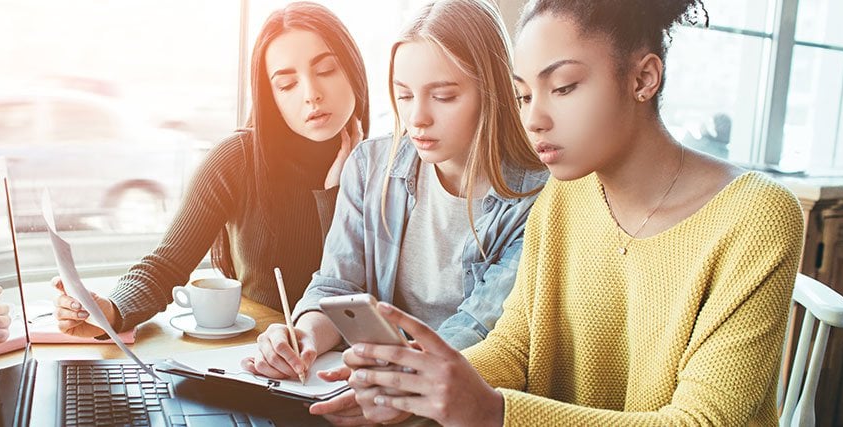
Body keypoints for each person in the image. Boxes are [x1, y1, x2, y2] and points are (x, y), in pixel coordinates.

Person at [343, 1, 805, 425]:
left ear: (643, 79)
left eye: (563, 87)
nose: (534, 119)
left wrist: (491, 411)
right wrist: (412, 388)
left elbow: (704, 422)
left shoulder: (756, 215)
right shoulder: (563, 196)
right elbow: (515, 348)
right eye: (524, 96)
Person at [245, 0, 548, 424]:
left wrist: (394, 387)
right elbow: (335, 286)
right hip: (371, 386)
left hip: (454, 401)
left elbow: (478, 330)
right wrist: (303, 337)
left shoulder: (536, 198)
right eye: (404, 96)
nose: (417, 118)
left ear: (493, 91)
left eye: (443, 96)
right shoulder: (371, 167)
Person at [52, 2, 369, 338]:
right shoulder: (237, 159)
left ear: (353, 69)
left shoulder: (384, 164)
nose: (312, 95)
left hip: (350, 366)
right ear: (269, 95)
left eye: (326, 71)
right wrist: (111, 311)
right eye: (287, 84)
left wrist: (340, 191)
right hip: (256, 356)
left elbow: (358, 293)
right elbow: (167, 264)